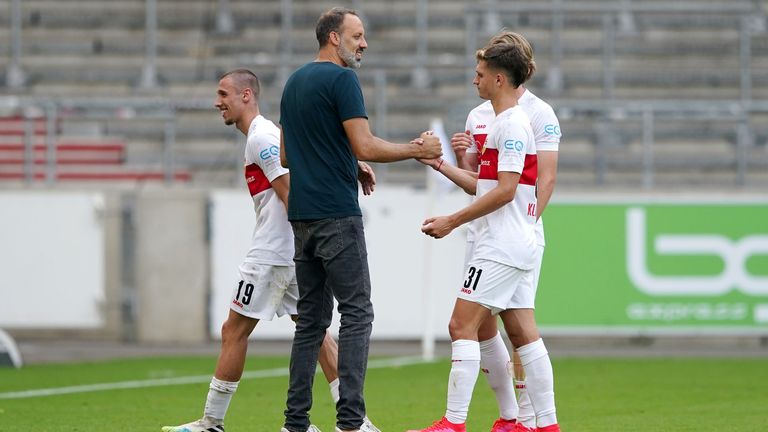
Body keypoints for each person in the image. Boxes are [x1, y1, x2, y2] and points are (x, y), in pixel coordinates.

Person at [161, 69, 379, 432]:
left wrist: (309, 241)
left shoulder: (261, 138)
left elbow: (291, 190)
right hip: (291, 254)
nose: (218, 102)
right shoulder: (270, 134)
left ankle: (212, 422)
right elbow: (310, 164)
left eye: (224, 94)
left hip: (274, 255)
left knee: (233, 330)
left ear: (247, 96)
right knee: (317, 334)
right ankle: (359, 422)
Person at [278, 7, 442, 432]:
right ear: (334, 38)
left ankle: (295, 423)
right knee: (357, 312)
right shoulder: (343, 79)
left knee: (311, 323)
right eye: (357, 35)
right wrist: (417, 150)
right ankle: (350, 421)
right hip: (336, 214)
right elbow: (365, 144)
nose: (363, 43)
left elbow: (284, 156)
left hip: (301, 217)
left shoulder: (293, 82)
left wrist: (347, 164)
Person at [407, 42, 560, 432]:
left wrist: (453, 221)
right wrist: (439, 164)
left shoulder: (511, 125)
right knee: (523, 331)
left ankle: (453, 423)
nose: (474, 79)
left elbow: (505, 190)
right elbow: (486, 184)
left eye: (479, 73)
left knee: (461, 326)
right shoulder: (501, 121)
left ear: (498, 77)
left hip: (501, 244)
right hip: (514, 241)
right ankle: (545, 425)